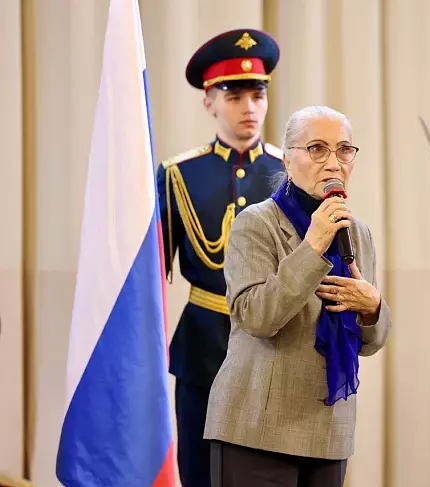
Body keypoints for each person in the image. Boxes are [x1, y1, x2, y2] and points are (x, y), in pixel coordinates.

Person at [204, 105, 390, 487]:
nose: (333, 163)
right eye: (317, 149)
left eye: (344, 150)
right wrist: (312, 247)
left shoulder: (358, 233)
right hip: (257, 427)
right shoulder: (256, 223)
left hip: (329, 431)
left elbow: (370, 343)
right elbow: (256, 317)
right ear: (288, 160)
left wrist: (372, 308)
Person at [156, 28, 285, 486]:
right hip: (203, 350)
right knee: (201, 473)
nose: (249, 107)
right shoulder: (178, 175)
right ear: (209, 101)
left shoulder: (290, 173)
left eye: (257, 95)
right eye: (234, 96)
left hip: (277, 350)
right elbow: (151, 277)